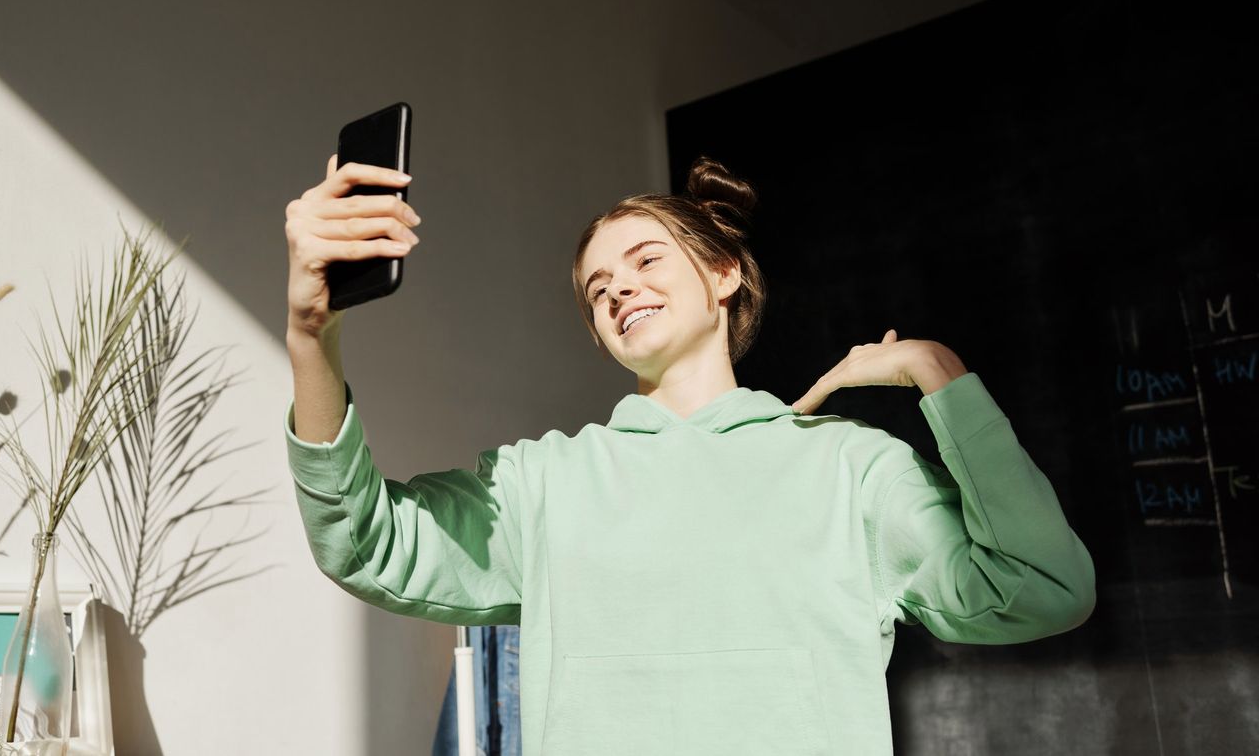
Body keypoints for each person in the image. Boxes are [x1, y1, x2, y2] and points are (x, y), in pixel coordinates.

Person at [282, 155, 1096, 755]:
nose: (618, 291)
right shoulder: (546, 484)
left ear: (723, 274)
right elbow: (365, 541)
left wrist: (934, 370)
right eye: (598, 289)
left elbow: (1046, 588)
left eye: (644, 262)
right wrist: (311, 334)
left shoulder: (850, 470)